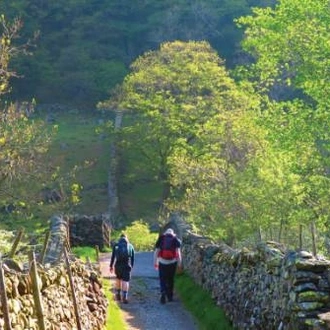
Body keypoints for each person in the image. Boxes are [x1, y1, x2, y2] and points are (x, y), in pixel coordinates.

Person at [153, 228, 182, 304]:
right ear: (173, 234)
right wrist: (179, 264)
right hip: (172, 263)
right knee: (170, 279)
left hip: (162, 262)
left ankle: (163, 292)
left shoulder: (161, 239)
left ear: (165, 233)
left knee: (162, 278)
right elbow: (178, 253)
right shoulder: (176, 240)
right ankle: (170, 296)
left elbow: (156, 252)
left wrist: (156, 262)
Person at [109, 233, 135, 304]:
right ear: (127, 238)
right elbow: (132, 258)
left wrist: (111, 266)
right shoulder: (130, 246)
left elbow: (113, 257)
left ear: (120, 238)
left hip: (118, 265)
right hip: (127, 265)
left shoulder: (116, 246)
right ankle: (125, 296)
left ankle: (118, 294)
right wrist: (131, 267)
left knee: (118, 278)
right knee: (125, 281)